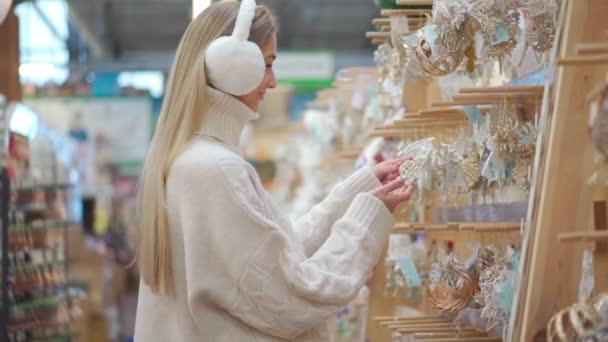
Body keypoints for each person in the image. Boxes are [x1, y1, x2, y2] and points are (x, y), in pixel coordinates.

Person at [133, 1, 415, 341]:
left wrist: (356, 192)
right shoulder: (214, 169)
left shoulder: (193, 160)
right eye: (266, 65)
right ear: (229, 66)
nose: (272, 81)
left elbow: (273, 255)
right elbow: (296, 296)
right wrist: (366, 220)